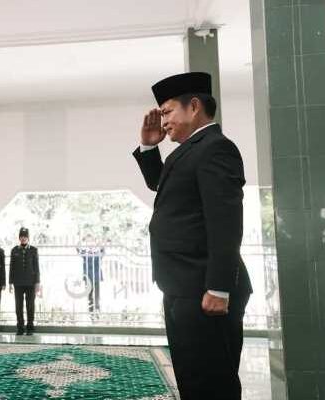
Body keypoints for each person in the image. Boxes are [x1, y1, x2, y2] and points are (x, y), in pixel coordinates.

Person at [132, 72, 253, 400]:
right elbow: (165, 187)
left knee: (210, 383)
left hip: (205, 289)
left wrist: (219, 287)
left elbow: (225, 223)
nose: (164, 121)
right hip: (183, 285)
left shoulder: (216, 149)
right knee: (192, 377)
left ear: (194, 106)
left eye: (168, 111)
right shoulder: (187, 152)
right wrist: (147, 146)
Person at [9, 227, 40, 335]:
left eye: (25, 237)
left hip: (31, 283)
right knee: (18, 305)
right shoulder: (14, 250)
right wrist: (10, 283)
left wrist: (37, 282)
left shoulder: (33, 250)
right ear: (19, 238)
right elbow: (12, 267)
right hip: (18, 283)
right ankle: (20, 327)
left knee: (30, 305)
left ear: (28, 238)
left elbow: (36, 267)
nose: (23, 239)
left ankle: (30, 327)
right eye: (21, 237)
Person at [76, 235, 104, 314]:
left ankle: (97, 313)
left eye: (92, 241)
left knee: (97, 296)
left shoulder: (97, 252)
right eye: (88, 242)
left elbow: (103, 250)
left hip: (96, 276)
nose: (90, 243)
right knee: (89, 296)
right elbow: (77, 249)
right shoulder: (85, 252)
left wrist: (100, 243)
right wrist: (82, 239)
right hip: (88, 277)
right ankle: (91, 314)